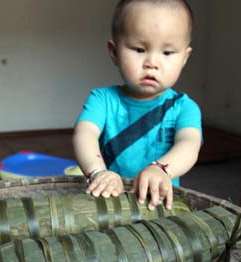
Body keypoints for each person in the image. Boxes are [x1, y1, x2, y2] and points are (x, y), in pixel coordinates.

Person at [72, 0, 202, 211]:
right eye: (140, 49)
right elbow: (84, 134)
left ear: (184, 58)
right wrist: (98, 172)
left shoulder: (184, 108)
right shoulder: (102, 99)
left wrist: (161, 169)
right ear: (114, 52)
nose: (152, 62)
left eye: (167, 53)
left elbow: (189, 144)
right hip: (108, 201)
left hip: (157, 203)